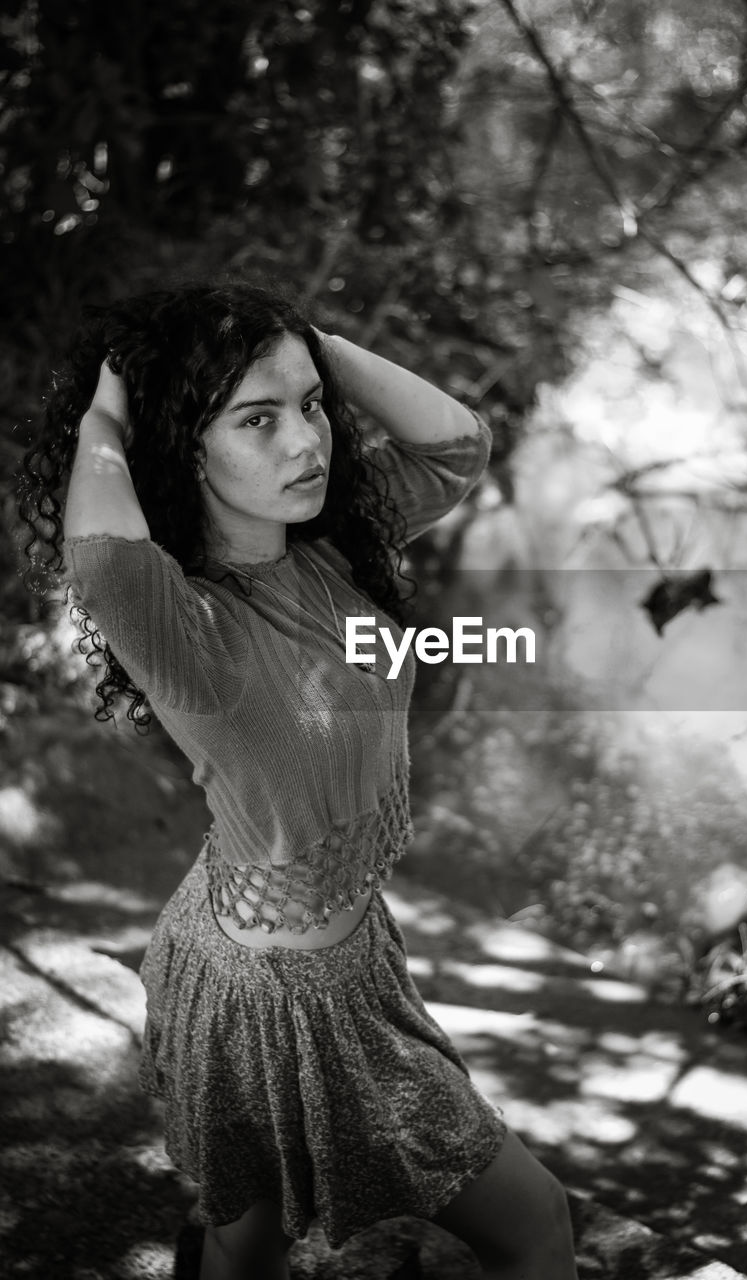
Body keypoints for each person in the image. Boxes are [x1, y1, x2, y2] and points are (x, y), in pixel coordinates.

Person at [18, 281, 578, 1280]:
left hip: (335, 951)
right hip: (267, 998)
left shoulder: (328, 557)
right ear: (184, 443)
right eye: (258, 418)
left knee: (250, 1237)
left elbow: (455, 447)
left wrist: (305, 343)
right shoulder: (188, 630)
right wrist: (108, 410)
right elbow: (100, 561)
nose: (304, 441)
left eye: (311, 406)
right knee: (533, 1228)